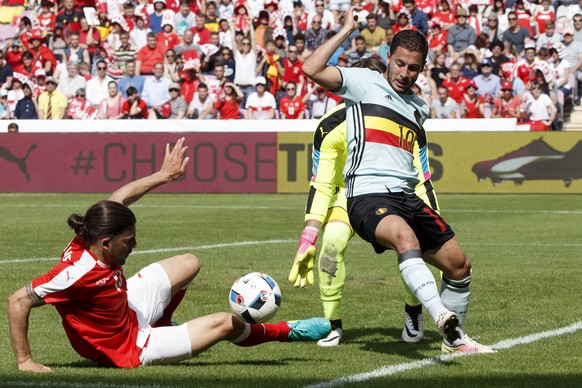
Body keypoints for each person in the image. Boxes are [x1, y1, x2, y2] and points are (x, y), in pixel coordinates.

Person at [7, 138, 331, 373]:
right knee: (225, 323)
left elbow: (118, 198)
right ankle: (284, 332)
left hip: (129, 309)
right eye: (128, 241)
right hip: (129, 346)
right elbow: (17, 301)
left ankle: (162, 322)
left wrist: (162, 176)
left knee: (190, 262)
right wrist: (24, 361)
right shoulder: (75, 273)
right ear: (105, 244)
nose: (134, 246)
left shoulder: (89, 234)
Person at [302, 7, 495, 353]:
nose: (405, 73)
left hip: (407, 197)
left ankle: (455, 340)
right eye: (400, 64)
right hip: (367, 197)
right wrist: (346, 30)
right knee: (405, 238)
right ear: (388, 58)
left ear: (422, 68)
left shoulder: (418, 107)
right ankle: (438, 316)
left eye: (414, 68)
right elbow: (310, 68)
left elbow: (416, 169)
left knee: (459, 265)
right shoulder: (365, 83)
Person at [291, 56, 445, 347]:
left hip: (395, 194)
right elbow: (322, 184)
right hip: (347, 196)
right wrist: (308, 237)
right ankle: (332, 324)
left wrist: (434, 225)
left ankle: (413, 313)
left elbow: (422, 178)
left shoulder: (406, 117)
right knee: (332, 241)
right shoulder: (329, 126)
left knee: (411, 245)